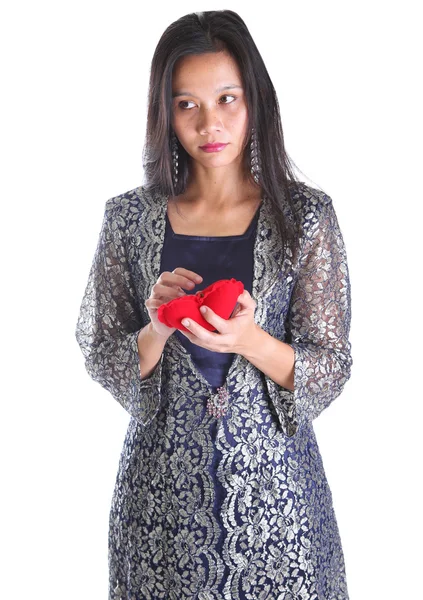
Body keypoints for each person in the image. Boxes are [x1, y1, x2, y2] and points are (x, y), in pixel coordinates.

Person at [75, 9, 353, 600]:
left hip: (280, 502)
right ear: (165, 112)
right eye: (187, 105)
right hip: (161, 504)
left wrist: (249, 340)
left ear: (256, 99)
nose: (210, 123)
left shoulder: (305, 219)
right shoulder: (128, 220)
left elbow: (333, 363)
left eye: (227, 98)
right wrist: (155, 329)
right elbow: (98, 347)